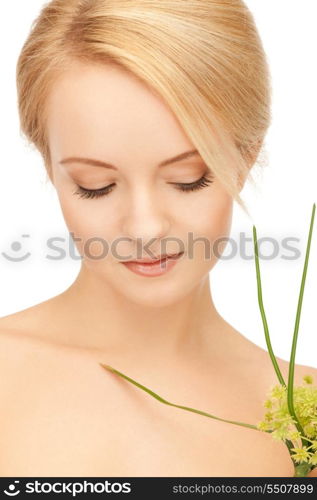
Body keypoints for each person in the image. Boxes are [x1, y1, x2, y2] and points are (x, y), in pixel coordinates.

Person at [0, 0, 316, 477]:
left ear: (245, 159)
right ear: (51, 167)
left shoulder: (302, 414)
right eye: (95, 185)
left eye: (188, 179)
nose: (144, 228)